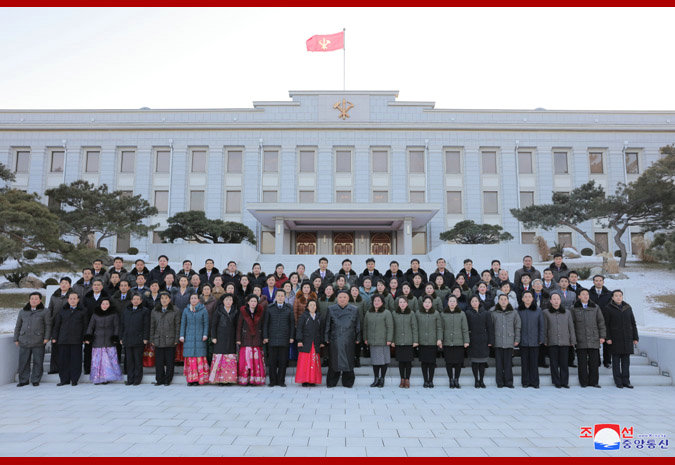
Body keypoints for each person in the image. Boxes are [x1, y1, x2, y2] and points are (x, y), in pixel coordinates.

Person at [324, 290, 360, 388]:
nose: (342, 299)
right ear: (337, 298)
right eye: (340, 297)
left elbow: (357, 325)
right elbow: (327, 324)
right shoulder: (331, 309)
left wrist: (358, 337)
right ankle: (332, 382)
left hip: (349, 339)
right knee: (334, 361)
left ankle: (348, 382)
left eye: (345, 297)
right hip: (335, 339)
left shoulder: (354, 309)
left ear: (348, 298)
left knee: (348, 360)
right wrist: (326, 337)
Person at [14, 292, 50, 387]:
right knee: (23, 361)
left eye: (36, 299)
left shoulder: (45, 311)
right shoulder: (22, 311)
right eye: (32, 298)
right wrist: (16, 338)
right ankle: (23, 380)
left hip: (38, 340)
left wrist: (46, 338)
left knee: (38, 361)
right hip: (24, 339)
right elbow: (18, 326)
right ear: (29, 300)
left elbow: (48, 325)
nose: (33, 300)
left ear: (40, 300)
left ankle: (35, 379)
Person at [52, 292, 87, 386]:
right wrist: (55, 337)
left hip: (76, 340)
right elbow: (57, 325)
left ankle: (74, 379)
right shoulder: (62, 311)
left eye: (74, 298)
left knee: (76, 360)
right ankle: (64, 379)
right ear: (68, 300)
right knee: (63, 361)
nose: (72, 300)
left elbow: (85, 326)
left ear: (78, 300)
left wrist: (85, 337)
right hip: (63, 339)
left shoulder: (83, 311)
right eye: (71, 298)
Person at [572, 289, 606, 388]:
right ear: (579, 296)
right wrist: (573, 339)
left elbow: (601, 322)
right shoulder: (574, 308)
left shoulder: (595, 307)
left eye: (587, 294)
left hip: (594, 338)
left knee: (594, 362)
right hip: (580, 338)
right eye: (583, 294)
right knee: (582, 362)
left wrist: (602, 336)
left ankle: (594, 382)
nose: (585, 296)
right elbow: (572, 324)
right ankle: (583, 382)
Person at [84, 298, 122, 385]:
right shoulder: (95, 314)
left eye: (106, 304)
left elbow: (116, 326)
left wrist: (115, 337)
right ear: (100, 305)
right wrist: (88, 337)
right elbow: (91, 326)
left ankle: (107, 377)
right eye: (103, 304)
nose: (105, 305)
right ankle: (97, 377)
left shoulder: (114, 314)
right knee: (97, 360)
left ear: (109, 305)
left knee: (108, 360)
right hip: (98, 339)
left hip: (109, 339)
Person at [605, 290, 638, 389]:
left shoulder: (627, 307)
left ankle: (626, 381)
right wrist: (608, 337)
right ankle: (618, 381)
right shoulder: (608, 308)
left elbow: (633, 323)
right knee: (615, 362)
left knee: (626, 362)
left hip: (627, 338)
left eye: (620, 295)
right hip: (615, 339)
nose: (618, 297)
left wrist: (635, 337)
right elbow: (606, 325)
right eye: (616, 296)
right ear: (612, 297)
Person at [543, 293, 576, 389]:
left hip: (565, 340)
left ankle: (564, 382)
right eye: (554, 299)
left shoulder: (567, 312)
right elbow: (545, 327)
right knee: (553, 363)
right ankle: (556, 381)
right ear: (551, 301)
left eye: (558, 299)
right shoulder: (546, 312)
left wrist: (572, 339)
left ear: (560, 300)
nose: (556, 301)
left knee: (564, 363)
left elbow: (571, 327)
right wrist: (545, 339)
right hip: (552, 341)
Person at [264, 289, 295, 387]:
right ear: (275, 297)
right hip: (272, 337)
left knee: (283, 361)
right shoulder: (270, 308)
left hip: (284, 337)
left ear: (285, 297)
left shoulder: (289, 308)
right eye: (279, 296)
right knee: (272, 361)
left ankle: (281, 381)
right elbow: (265, 324)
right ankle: (272, 381)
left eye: (282, 296)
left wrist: (291, 337)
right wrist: (265, 336)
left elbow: (292, 323)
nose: (280, 297)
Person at [150, 291, 181, 386]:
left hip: (170, 339)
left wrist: (176, 339)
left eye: (166, 298)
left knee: (169, 362)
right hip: (158, 339)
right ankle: (159, 379)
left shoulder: (175, 310)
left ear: (169, 299)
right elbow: (152, 326)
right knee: (158, 362)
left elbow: (177, 325)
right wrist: (152, 339)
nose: (164, 300)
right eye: (162, 298)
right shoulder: (155, 310)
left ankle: (168, 380)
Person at [363, 295, 394, 388]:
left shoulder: (386, 313)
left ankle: (382, 379)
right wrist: (365, 338)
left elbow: (390, 327)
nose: (376, 302)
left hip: (383, 341)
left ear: (382, 302)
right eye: (375, 300)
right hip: (372, 341)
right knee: (375, 361)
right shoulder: (369, 313)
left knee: (384, 361)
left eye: (378, 300)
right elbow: (365, 326)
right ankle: (376, 378)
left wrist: (389, 339)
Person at [491, 293, 521, 388]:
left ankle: (509, 382)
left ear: (508, 301)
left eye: (505, 299)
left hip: (509, 340)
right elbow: (490, 327)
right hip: (498, 340)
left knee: (508, 363)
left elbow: (517, 327)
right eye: (501, 299)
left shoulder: (514, 312)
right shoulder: (493, 312)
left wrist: (517, 339)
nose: (503, 301)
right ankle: (499, 382)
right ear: (498, 301)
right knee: (499, 363)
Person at [236, 295, 267, 386]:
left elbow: (263, 325)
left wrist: (264, 337)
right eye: (251, 301)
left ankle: (255, 379)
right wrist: (238, 339)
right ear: (248, 302)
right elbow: (239, 326)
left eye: (255, 301)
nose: (253, 303)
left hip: (257, 338)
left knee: (256, 360)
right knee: (246, 360)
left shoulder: (260, 312)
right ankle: (245, 379)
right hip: (245, 339)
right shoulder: (243, 312)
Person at [209, 293, 239, 385]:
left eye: (230, 300)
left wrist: (237, 338)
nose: (228, 301)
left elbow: (237, 326)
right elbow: (213, 325)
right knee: (220, 358)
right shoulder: (218, 311)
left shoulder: (235, 311)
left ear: (232, 301)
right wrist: (213, 337)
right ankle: (219, 379)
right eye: (227, 300)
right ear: (223, 301)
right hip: (220, 337)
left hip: (231, 338)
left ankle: (229, 379)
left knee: (229, 358)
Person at [120, 294, 150, 386]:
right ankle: (130, 379)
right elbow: (122, 325)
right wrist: (121, 337)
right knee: (129, 360)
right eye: (134, 299)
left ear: (141, 301)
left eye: (138, 299)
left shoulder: (144, 311)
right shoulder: (126, 310)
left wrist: (145, 338)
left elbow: (146, 325)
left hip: (139, 339)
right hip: (128, 338)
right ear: (131, 300)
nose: (136, 301)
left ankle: (137, 379)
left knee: (137, 360)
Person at [180, 293, 209, 386]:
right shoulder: (186, 310)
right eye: (192, 298)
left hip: (200, 337)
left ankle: (199, 379)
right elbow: (183, 324)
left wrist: (205, 334)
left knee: (199, 358)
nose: (193, 300)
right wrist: (182, 335)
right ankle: (191, 379)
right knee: (190, 358)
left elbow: (206, 323)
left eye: (195, 298)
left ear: (198, 300)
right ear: (189, 300)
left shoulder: (203, 310)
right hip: (189, 336)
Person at [440, 296, 469, 388]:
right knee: (448, 362)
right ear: (448, 303)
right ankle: (450, 379)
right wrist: (440, 340)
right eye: (450, 301)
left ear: (456, 303)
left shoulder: (461, 314)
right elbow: (441, 328)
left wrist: (466, 341)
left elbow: (465, 329)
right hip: (447, 342)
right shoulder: (443, 314)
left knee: (458, 362)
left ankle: (456, 379)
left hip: (459, 342)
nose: (452, 303)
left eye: (454, 301)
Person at [517, 291, 544, 389]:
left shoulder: (538, 310)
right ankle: (525, 382)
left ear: (532, 299)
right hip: (523, 340)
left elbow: (541, 326)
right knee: (524, 363)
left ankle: (535, 382)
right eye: (525, 297)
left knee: (534, 363)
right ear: (522, 299)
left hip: (534, 340)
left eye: (529, 297)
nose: (527, 298)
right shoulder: (518, 310)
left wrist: (541, 338)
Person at [465, 295, 492, 388]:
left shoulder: (486, 313)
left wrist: (490, 340)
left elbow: (490, 328)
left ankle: (482, 380)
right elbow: (466, 328)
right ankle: (476, 380)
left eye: (476, 301)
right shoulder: (468, 313)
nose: (474, 303)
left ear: (479, 302)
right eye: (472, 301)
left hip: (483, 339)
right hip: (473, 339)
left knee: (482, 362)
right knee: (475, 362)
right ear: (470, 303)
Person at [295, 299, 324, 387]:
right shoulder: (303, 316)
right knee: (305, 362)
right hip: (305, 342)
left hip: (315, 342)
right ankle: (305, 380)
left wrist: (321, 341)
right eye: (310, 305)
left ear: (316, 307)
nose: (312, 307)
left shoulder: (319, 317)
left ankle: (313, 380)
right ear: (307, 307)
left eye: (314, 305)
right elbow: (299, 329)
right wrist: (299, 340)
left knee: (314, 361)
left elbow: (321, 330)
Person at [391, 296, 418, 388]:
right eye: (400, 302)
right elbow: (392, 328)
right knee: (401, 362)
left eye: (404, 302)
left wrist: (415, 340)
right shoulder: (394, 313)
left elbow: (414, 328)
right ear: (398, 304)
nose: (402, 304)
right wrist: (393, 340)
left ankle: (407, 380)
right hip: (398, 341)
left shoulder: (411, 313)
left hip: (408, 341)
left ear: (407, 303)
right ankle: (402, 379)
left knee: (408, 362)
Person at [416, 295, 443, 388]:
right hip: (422, 341)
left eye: (429, 302)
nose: (427, 304)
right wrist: (416, 340)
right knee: (424, 362)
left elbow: (439, 327)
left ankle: (430, 380)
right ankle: (425, 380)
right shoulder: (418, 313)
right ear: (422, 303)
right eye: (425, 302)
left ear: (432, 304)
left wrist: (439, 339)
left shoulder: (436, 313)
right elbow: (415, 328)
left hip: (432, 341)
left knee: (431, 362)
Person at [47, 277, 72, 374]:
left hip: (68, 324)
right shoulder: (54, 296)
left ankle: (65, 368)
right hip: (55, 325)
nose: (64, 285)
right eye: (62, 283)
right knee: (55, 347)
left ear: (69, 285)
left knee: (66, 348)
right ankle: (54, 368)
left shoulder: (72, 296)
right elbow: (50, 310)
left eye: (66, 283)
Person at [589, 275, 613, 368]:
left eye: (600, 280)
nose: (598, 282)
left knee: (607, 340)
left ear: (603, 282)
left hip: (606, 320)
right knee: (595, 341)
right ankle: (596, 361)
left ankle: (607, 361)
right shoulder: (589, 293)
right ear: (593, 282)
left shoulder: (609, 294)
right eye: (596, 280)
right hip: (592, 320)